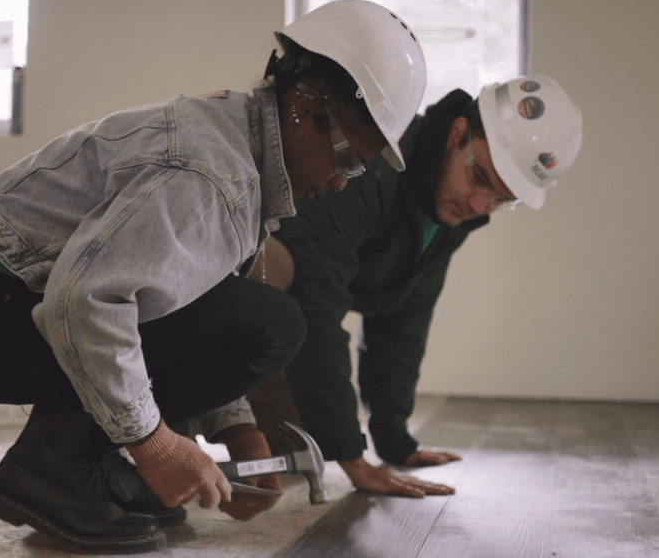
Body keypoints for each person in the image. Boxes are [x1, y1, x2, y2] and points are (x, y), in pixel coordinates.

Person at [0, 0, 426, 555]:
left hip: (1, 291)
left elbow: (190, 307)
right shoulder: (207, 175)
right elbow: (83, 301)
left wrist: (238, 430)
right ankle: (53, 468)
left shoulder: (240, 154)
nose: (345, 180)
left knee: (254, 313)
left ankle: (92, 467)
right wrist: (155, 444)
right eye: (348, 159)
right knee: (272, 322)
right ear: (304, 104)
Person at [246, 75, 583, 498]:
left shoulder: (451, 208)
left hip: (288, 314)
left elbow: (404, 317)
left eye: (502, 198)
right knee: (289, 451)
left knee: (302, 443)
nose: (481, 207)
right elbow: (315, 303)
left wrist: (393, 440)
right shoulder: (374, 162)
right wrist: (351, 458)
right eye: (480, 177)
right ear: (457, 132)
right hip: (226, 298)